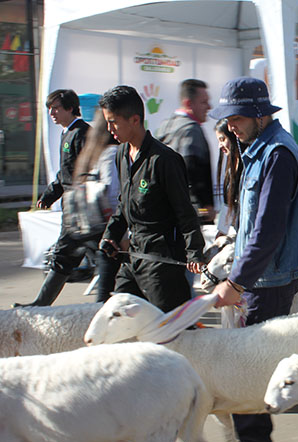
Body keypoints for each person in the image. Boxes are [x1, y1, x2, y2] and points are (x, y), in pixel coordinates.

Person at [209, 77, 298, 442]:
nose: (230, 127)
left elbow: (268, 231)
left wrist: (235, 282)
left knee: (247, 369)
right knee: (262, 363)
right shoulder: (258, 147)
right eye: (228, 120)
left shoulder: (277, 154)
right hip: (264, 275)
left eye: (236, 118)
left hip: (267, 278)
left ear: (260, 114)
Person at [98, 85, 205, 312]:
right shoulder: (121, 154)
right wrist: (111, 235)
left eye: (114, 122)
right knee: (117, 316)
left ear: (135, 120)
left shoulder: (164, 160)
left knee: (171, 330)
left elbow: (185, 212)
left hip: (162, 262)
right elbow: (123, 204)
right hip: (133, 258)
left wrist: (195, 252)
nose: (110, 129)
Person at [13, 89, 91, 308]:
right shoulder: (68, 133)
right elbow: (64, 173)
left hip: (82, 209)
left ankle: (41, 304)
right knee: (73, 256)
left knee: (69, 256)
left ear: (70, 108)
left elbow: (85, 173)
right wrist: (50, 195)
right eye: (49, 108)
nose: (51, 113)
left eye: (56, 108)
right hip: (75, 208)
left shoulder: (82, 133)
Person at [68, 111, 121, 302]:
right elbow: (112, 192)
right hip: (108, 226)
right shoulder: (112, 153)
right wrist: (121, 227)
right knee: (111, 283)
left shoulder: (91, 153)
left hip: (90, 224)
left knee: (107, 278)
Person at [155, 78, 214, 223]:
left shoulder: (164, 127)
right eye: (204, 102)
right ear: (188, 104)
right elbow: (193, 172)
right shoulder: (191, 130)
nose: (209, 107)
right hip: (191, 216)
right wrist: (205, 209)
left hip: (165, 212)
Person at [214, 118, 244, 237]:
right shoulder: (231, 168)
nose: (219, 146)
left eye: (222, 139)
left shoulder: (249, 166)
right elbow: (228, 205)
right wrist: (221, 232)